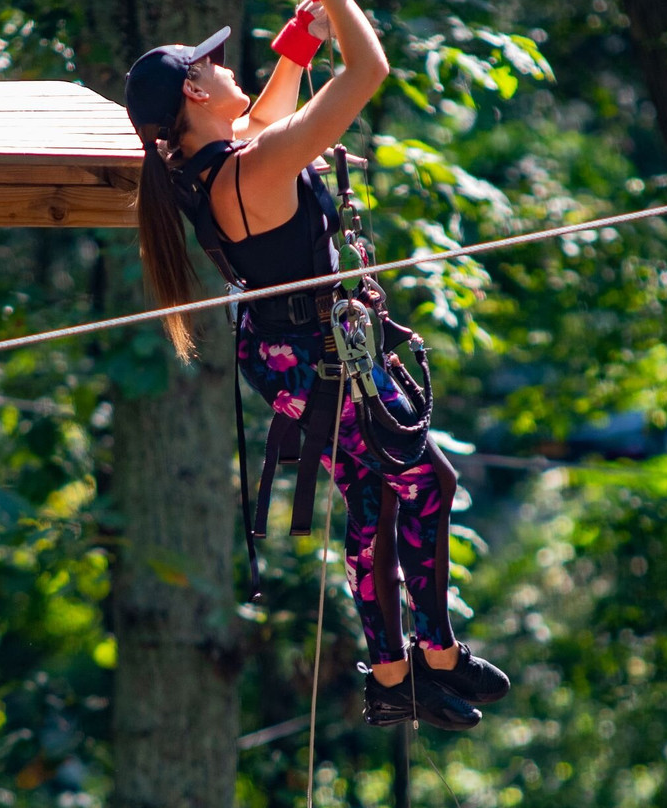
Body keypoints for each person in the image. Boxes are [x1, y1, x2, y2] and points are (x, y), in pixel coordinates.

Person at [123, 0, 509, 730]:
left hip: (291, 356)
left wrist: (301, 40)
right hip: (322, 359)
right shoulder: (254, 167)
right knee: (427, 483)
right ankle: (436, 655)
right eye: (211, 64)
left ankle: (394, 677)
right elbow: (368, 72)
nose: (226, 67)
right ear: (195, 93)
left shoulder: (202, 166)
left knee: (375, 497)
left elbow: (263, 118)